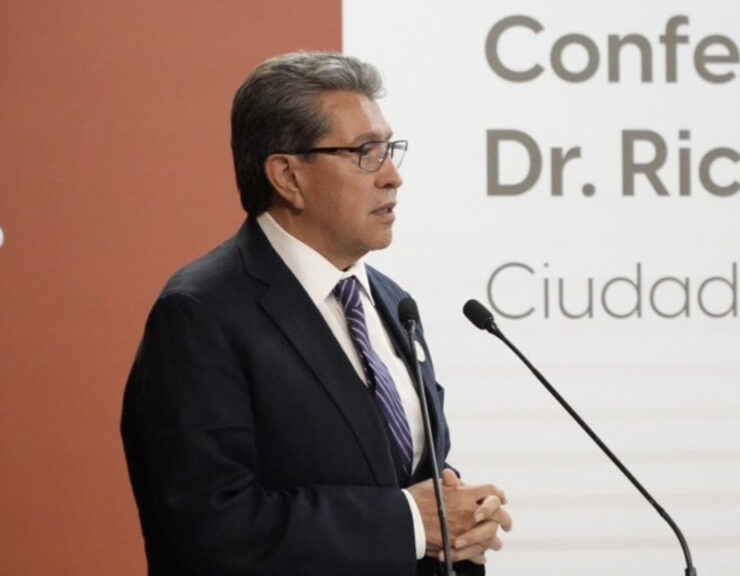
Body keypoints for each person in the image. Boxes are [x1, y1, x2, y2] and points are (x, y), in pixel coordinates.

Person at [120, 51, 511, 576]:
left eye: (390, 149)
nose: (392, 176)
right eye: (365, 152)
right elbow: (207, 526)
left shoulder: (392, 301)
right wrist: (410, 523)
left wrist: (460, 517)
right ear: (287, 176)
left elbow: (397, 473)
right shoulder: (200, 314)